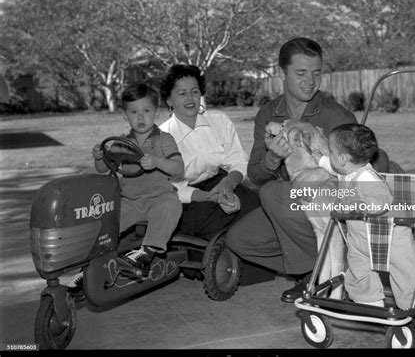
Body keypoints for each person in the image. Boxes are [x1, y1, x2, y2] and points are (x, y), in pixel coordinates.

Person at [226, 37, 391, 303]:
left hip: (328, 204)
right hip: (291, 209)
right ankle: (319, 264)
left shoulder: (336, 115)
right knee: (240, 239)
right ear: (283, 73)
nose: (310, 81)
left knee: (274, 193)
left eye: (316, 73)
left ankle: (325, 273)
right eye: (301, 73)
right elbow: (255, 175)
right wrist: (272, 158)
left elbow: (358, 172)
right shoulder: (269, 113)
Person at [67, 82, 184, 291]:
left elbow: (178, 167)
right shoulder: (121, 142)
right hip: (130, 200)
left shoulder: (164, 140)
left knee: (171, 207)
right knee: (106, 222)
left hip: (159, 197)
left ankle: (146, 252)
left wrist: (158, 162)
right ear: (125, 116)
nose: (140, 118)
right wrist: (100, 156)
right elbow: (103, 168)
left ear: (156, 113)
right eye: (134, 112)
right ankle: (88, 269)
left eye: (146, 111)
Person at [316, 123, 415, 310]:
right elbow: (332, 166)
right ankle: (370, 302)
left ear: (342, 159)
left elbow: (383, 198)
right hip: (359, 237)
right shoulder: (346, 171)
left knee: (405, 271)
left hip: (390, 237)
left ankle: (413, 305)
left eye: (330, 151)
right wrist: (319, 158)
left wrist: (363, 205)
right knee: (358, 271)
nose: (328, 155)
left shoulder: (366, 178)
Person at [159, 64, 263, 240]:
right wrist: (210, 197)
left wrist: (228, 184)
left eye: (194, 91)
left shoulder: (219, 120)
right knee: (224, 232)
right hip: (189, 200)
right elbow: (174, 189)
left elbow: (238, 160)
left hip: (223, 184)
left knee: (257, 209)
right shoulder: (162, 138)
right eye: (182, 93)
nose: (190, 98)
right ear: (169, 100)